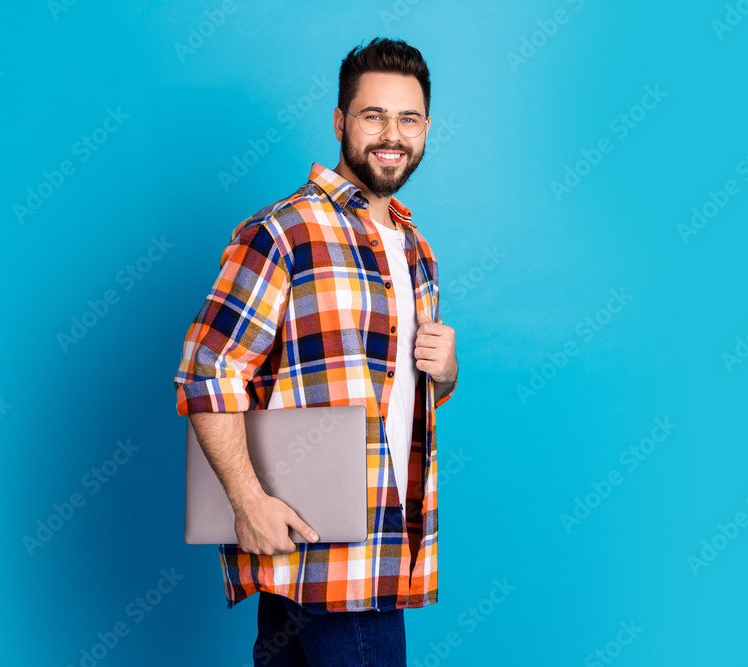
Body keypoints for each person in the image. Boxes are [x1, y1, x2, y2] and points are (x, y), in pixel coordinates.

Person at [173, 37, 458, 667]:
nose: (393, 134)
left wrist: (446, 375)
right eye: (373, 115)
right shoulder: (284, 231)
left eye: (408, 119)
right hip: (320, 543)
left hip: (383, 540)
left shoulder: (417, 251)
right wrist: (247, 503)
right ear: (339, 122)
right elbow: (206, 371)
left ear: (426, 128)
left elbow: (398, 393)